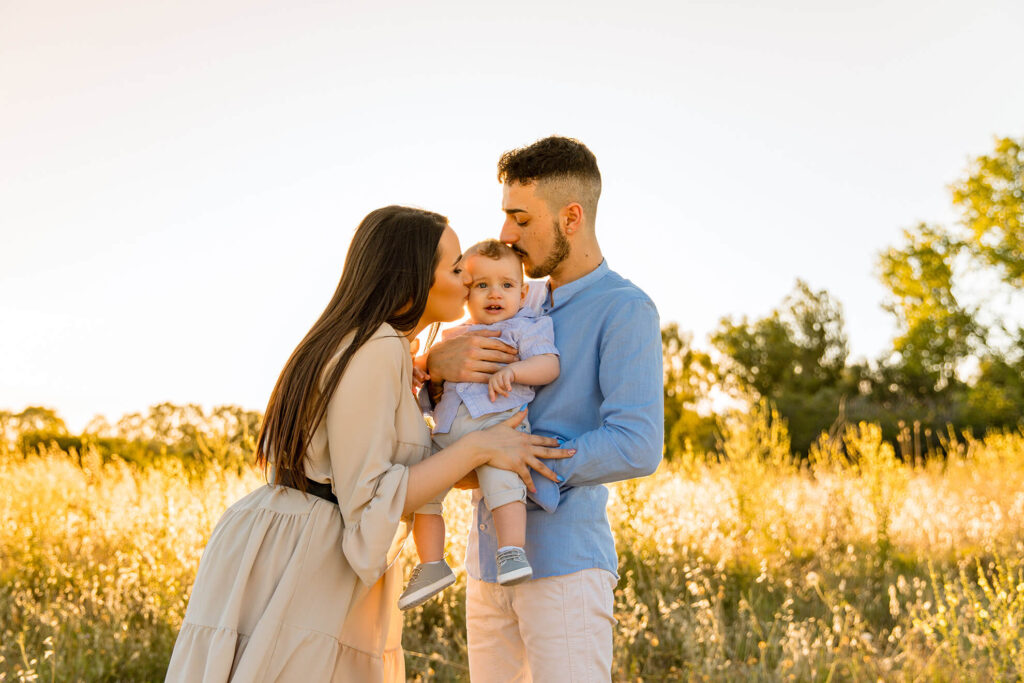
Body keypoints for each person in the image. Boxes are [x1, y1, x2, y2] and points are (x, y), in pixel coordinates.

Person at [165, 206, 571, 682]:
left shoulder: (384, 346)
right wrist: (481, 447)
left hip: (286, 538)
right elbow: (370, 496)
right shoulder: (377, 347)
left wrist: (445, 385)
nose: (470, 278)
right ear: (415, 276)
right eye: (456, 266)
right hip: (303, 553)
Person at [424, 137, 664, 682]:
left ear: (571, 217)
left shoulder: (625, 309)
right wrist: (437, 362)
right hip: (486, 566)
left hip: (565, 569)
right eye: (504, 217)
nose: (506, 235)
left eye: (520, 218)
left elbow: (637, 442)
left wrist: (517, 458)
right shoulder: (505, 298)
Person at [399, 239, 560, 611]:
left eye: (506, 285)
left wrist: (516, 370)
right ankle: (431, 563)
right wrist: (421, 365)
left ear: (523, 293)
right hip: (448, 432)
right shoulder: (452, 336)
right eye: (481, 285)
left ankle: (511, 551)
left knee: (502, 483)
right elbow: (428, 374)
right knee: (424, 492)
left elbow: (550, 365)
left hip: (500, 428)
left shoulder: (526, 327)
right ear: (466, 295)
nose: (494, 293)